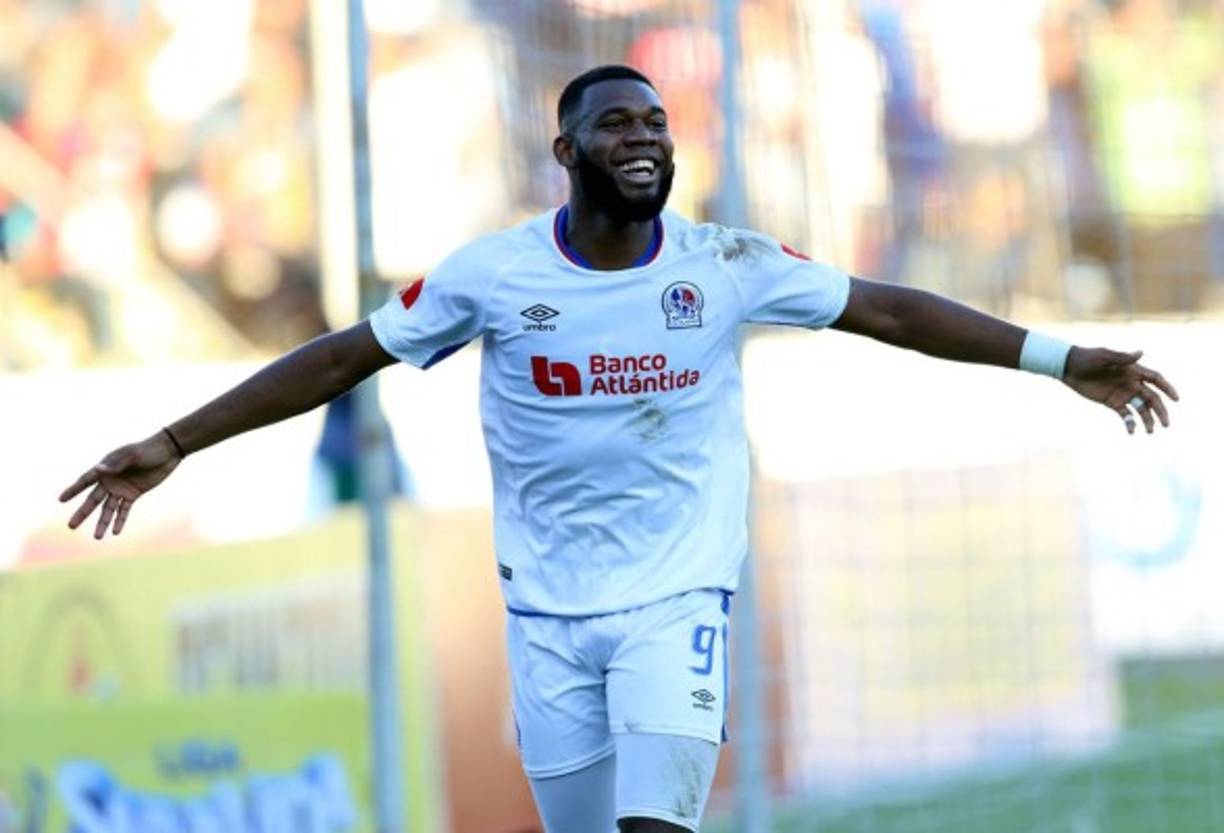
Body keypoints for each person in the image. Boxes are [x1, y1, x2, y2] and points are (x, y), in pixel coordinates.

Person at [60, 65, 1179, 832]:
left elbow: (885, 308)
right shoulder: (493, 276)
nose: (643, 139)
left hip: (675, 601)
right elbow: (343, 357)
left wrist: (1058, 357)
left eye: (655, 124)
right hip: (546, 615)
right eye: (616, 125)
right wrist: (175, 441)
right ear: (566, 150)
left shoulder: (725, 261)